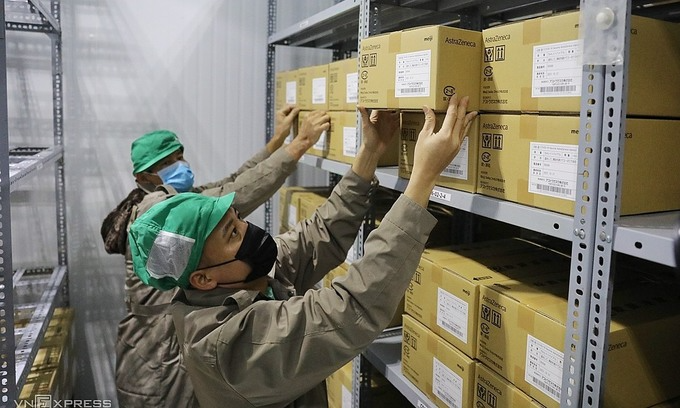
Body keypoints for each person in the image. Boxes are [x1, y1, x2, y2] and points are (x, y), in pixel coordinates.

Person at [127, 94, 477, 407]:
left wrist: (371, 152)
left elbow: (316, 236)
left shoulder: (238, 280)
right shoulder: (229, 346)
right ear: (202, 278)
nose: (250, 231)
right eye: (233, 233)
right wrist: (422, 180)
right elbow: (350, 309)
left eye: (238, 218)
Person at [101, 106, 332, 407]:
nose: (179, 165)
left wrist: (276, 142)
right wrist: (299, 145)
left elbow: (232, 180)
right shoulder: (157, 214)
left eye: (178, 157)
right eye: (166, 163)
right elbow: (237, 193)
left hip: (169, 345)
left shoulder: (177, 200)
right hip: (155, 356)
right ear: (143, 176)